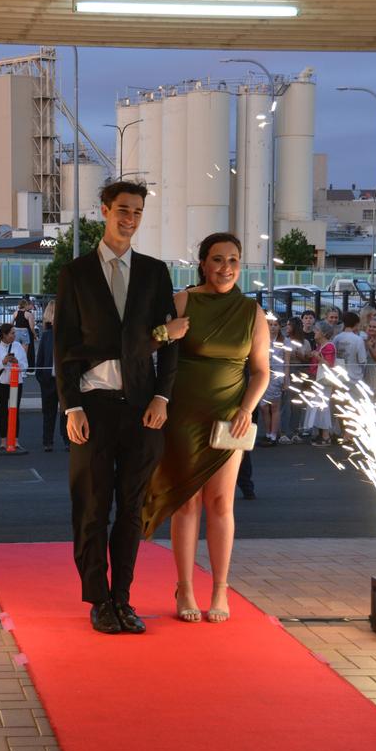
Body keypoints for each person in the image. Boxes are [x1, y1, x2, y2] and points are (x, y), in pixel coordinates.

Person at [55, 179, 180, 636]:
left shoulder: (154, 272)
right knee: (91, 507)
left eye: (138, 212)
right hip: (91, 407)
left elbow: (171, 347)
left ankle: (123, 598)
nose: (130, 219)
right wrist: (71, 407)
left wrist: (163, 397)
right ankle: (98, 599)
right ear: (104, 210)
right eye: (123, 210)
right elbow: (65, 346)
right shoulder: (76, 274)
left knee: (130, 509)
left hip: (143, 409)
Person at [142, 232, 269, 624]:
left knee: (221, 502)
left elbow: (262, 371)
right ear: (202, 262)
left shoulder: (252, 312)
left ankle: (219, 589)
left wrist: (247, 408)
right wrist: (166, 332)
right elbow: (147, 345)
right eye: (217, 259)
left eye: (233, 260)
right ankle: (185, 588)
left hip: (230, 418)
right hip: (182, 416)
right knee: (186, 501)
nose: (225, 268)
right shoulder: (183, 300)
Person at [0, 323, 29, 455]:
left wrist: (16, 362)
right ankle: (3, 442)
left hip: (16, 384)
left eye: (14, 333)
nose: (14, 336)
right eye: (12, 333)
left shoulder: (17, 346)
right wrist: (3, 362)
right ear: (4, 334)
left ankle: (15, 441)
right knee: (3, 412)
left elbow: (25, 366)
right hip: (0, 384)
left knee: (14, 411)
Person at [35, 300, 68, 452]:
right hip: (49, 381)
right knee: (49, 413)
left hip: (65, 382)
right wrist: (42, 379)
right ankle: (47, 441)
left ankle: (67, 440)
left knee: (66, 412)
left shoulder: (70, 336)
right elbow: (40, 360)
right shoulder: (46, 337)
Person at [302, 320, 336, 445]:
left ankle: (326, 435)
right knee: (319, 406)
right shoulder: (321, 346)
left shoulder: (328, 346)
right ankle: (322, 434)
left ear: (323, 333)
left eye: (317, 330)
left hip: (323, 381)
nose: (314, 332)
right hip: (318, 379)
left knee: (322, 406)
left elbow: (329, 364)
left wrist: (317, 357)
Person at [281, 316, 312, 443]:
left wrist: (302, 356)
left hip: (299, 373)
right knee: (285, 403)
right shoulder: (285, 341)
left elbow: (308, 360)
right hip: (287, 371)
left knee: (297, 404)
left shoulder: (305, 343)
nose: (287, 327)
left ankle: (294, 431)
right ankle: (283, 431)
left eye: (289, 325)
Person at [259, 315, 287, 446]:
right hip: (262, 376)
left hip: (277, 377)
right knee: (264, 407)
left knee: (275, 406)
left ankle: (273, 435)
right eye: (270, 324)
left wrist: (286, 380)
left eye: (275, 325)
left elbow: (287, 363)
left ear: (279, 327)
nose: (273, 327)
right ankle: (267, 433)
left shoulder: (284, 341)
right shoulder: (260, 340)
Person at [334, 311, 367, 384]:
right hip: (355, 378)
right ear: (356, 324)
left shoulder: (336, 338)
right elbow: (362, 360)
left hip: (339, 377)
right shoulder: (358, 339)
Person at [13, 298, 37, 372]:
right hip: (24, 332)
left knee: (16, 351)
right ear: (25, 305)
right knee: (24, 353)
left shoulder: (15, 313)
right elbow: (31, 327)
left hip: (16, 331)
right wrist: (35, 335)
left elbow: (11, 323)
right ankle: (23, 371)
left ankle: (16, 369)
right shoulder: (28, 314)